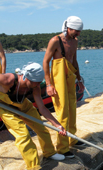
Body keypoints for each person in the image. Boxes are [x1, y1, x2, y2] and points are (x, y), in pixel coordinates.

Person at [43, 16, 85, 159]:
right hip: (58, 79)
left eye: (79, 31)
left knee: (72, 109)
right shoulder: (55, 41)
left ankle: (72, 138)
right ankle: (62, 147)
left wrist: (79, 79)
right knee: (62, 112)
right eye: (76, 31)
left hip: (70, 77)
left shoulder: (75, 41)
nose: (78, 34)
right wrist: (48, 84)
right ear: (68, 27)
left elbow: (74, 60)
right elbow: (45, 62)